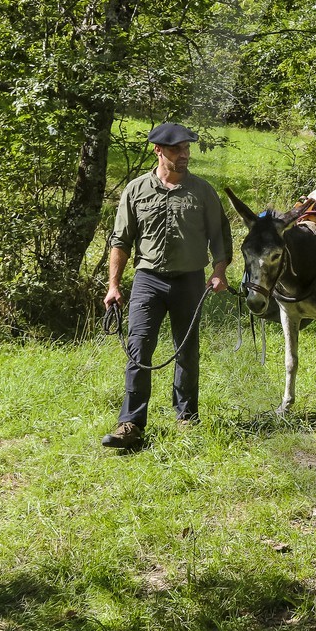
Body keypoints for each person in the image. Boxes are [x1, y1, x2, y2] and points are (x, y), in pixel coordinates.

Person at [101, 122, 232, 450]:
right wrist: (113, 286)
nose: (184, 154)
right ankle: (130, 424)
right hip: (148, 280)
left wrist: (219, 271)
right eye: (177, 149)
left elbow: (221, 239)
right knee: (138, 349)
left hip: (190, 280)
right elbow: (120, 241)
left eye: (187, 148)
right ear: (158, 150)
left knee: (186, 351)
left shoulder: (202, 192)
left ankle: (187, 417)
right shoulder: (135, 190)